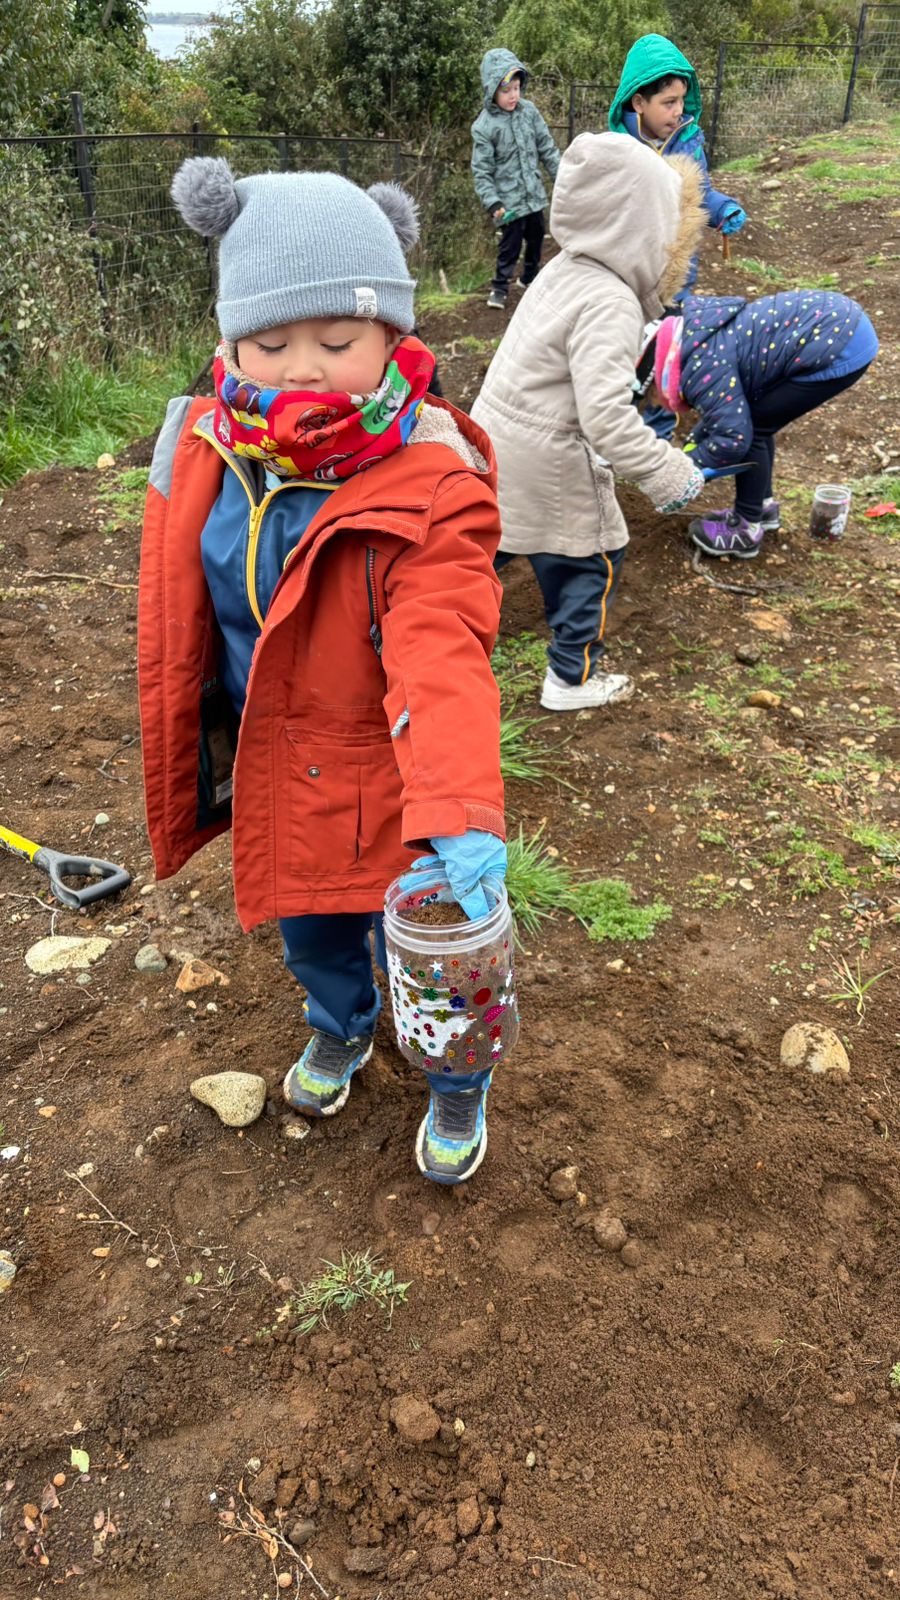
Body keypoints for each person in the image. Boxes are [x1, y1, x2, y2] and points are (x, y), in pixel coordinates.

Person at [139, 161, 507, 1185]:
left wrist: (456, 804)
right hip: (280, 757)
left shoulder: (429, 479)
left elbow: (442, 645)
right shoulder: (209, 447)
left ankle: (457, 1077)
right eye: (272, 343)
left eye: (338, 343)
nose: (303, 369)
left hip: (393, 771)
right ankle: (340, 1025)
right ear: (229, 344)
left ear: (391, 336)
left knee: (434, 947)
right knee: (313, 928)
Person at [471, 133, 706, 712]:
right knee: (592, 556)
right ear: (641, 225)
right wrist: (668, 472)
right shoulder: (612, 302)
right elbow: (605, 418)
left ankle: (415, 639)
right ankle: (569, 680)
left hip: (496, 439)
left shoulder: (565, 268)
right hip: (549, 454)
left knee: (485, 548)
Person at [646, 290, 879, 558]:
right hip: (840, 323)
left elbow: (734, 438)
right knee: (758, 418)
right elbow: (726, 412)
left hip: (837, 345)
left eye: (655, 398)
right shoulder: (698, 336)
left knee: (754, 428)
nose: (658, 404)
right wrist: (697, 443)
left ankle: (746, 528)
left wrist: (688, 468)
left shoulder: (698, 371)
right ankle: (762, 507)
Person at [608, 34, 746, 441]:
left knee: (666, 351)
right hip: (629, 272)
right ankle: (612, 424)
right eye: (668, 102)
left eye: (682, 100)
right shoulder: (616, 149)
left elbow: (699, 190)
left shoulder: (688, 139)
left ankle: (658, 432)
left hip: (675, 271)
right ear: (638, 102)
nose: (678, 110)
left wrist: (721, 209)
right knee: (622, 347)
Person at [471, 48, 560, 312]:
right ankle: (499, 288)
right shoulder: (484, 127)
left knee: (537, 236)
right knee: (509, 246)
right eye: (506, 90)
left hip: (533, 194)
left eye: (517, 88)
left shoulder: (529, 112)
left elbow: (547, 148)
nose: (513, 95)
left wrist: (563, 176)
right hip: (507, 202)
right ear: (492, 91)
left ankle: (529, 276)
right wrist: (492, 202)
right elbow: (481, 170)